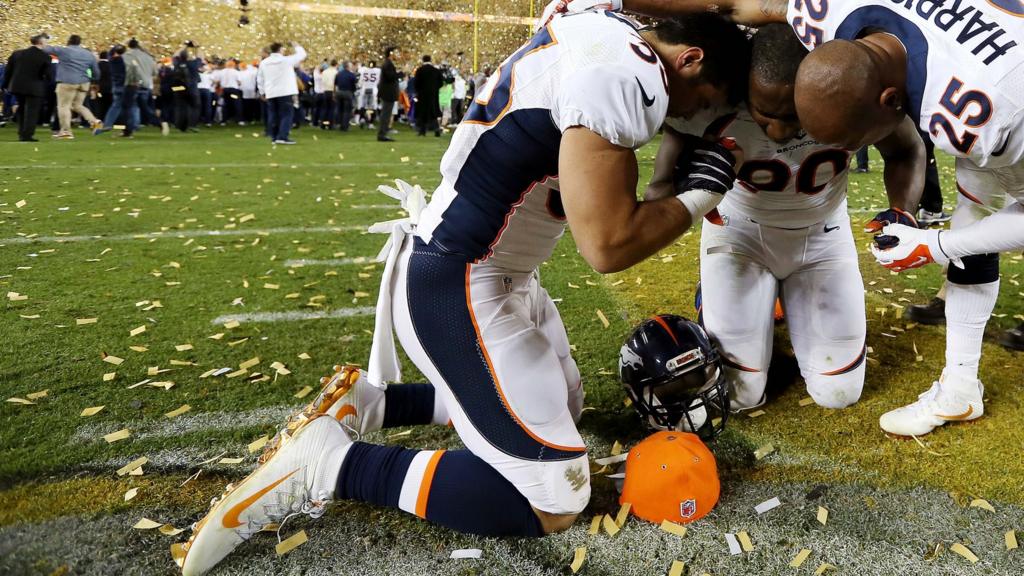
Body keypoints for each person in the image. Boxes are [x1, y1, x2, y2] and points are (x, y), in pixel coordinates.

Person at [177, 12, 750, 575]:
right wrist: (701, 196)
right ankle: (333, 465)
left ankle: (378, 404)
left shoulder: (595, 25)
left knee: (564, 411)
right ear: (689, 59)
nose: (691, 117)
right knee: (553, 498)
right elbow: (607, 245)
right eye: (701, 101)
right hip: (459, 288)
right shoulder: (632, 74)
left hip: (487, 271)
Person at [647, 23, 924, 411]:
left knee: (839, 395)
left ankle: (776, 303)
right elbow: (658, 190)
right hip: (740, 238)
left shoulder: (844, 96)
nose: (778, 131)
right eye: (764, 114)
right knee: (740, 397)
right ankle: (717, 296)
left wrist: (902, 211)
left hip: (822, 237)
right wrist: (688, 187)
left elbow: (907, 149)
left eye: (794, 117)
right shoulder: (713, 106)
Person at [44, 34, 103, 138]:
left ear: (69, 41)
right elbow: (96, 72)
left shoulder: (64, 51)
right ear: (79, 42)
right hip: (84, 82)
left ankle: (66, 132)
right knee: (78, 105)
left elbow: (46, 49)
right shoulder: (88, 54)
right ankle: (95, 122)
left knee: (64, 106)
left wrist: (44, 41)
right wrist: (93, 81)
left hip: (67, 82)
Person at [2, 33, 52, 142]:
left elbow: (8, 71)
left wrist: (5, 85)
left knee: (21, 109)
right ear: (41, 42)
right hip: (35, 87)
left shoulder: (17, 54)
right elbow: (48, 74)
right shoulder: (45, 57)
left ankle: (21, 133)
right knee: (32, 111)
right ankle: (27, 134)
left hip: (17, 86)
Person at [256, 41, 306, 145]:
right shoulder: (286, 60)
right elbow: (302, 55)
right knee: (286, 114)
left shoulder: (264, 62)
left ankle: (274, 136)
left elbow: (260, 78)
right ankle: (283, 136)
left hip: (271, 92)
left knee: (273, 114)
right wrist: (296, 45)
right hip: (285, 91)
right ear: (280, 50)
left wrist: (262, 92)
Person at [122, 38, 162, 137]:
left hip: (132, 83)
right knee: (145, 107)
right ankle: (158, 122)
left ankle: (131, 128)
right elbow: (155, 72)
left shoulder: (126, 56)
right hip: (146, 84)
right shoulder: (148, 57)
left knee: (130, 107)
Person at [95, 45, 127, 135]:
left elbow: (110, 53)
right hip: (123, 86)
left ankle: (107, 124)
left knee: (112, 107)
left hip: (114, 87)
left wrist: (117, 47)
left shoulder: (112, 61)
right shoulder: (123, 61)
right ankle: (124, 127)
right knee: (124, 107)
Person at [170, 46, 203, 132]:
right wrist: (197, 47)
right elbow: (200, 57)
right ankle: (192, 125)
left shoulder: (177, 63)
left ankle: (181, 126)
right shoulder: (193, 64)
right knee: (195, 107)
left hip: (180, 89)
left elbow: (174, 55)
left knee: (181, 107)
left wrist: (183, 46)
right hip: (192, 88)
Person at [413, 54, 441, 137]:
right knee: (433, 112)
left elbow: (416, 83)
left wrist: (418, 91)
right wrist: (435, 89)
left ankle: (422, 131)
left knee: (423, 113)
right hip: (433, 95)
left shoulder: (420, 70)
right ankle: (436, 129)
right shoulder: (436, 70)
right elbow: (440, 82)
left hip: (422, 95)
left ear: (423, 60)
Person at [377, 47, 399, 141]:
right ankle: (382, 134)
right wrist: (400, 74)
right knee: (386, 114)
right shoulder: (388, 64)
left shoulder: (388, 64)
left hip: (387, 93)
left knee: (386, 113)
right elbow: (390, 77)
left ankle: (384, 132)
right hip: (388, 93)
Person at [334, 60, 357, 131]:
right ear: (348, 66)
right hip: (347, 93)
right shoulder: (351, 75)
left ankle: (339, 123)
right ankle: (345, 126)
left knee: (339, 109)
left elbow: (336, 84)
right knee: (346, 110)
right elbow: (354, 85)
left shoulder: (339, 74)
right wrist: (352, 92)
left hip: (339, 92)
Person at [320, 59, 338, 129]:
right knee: (332, 109)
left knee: (325, 108)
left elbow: (323, 81)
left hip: (325, 90)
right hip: (332, 91)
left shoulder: (325, 72)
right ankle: (330, 124)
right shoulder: (336, 72)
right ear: (336, 65)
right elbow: (335, 84)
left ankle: (323, 124)